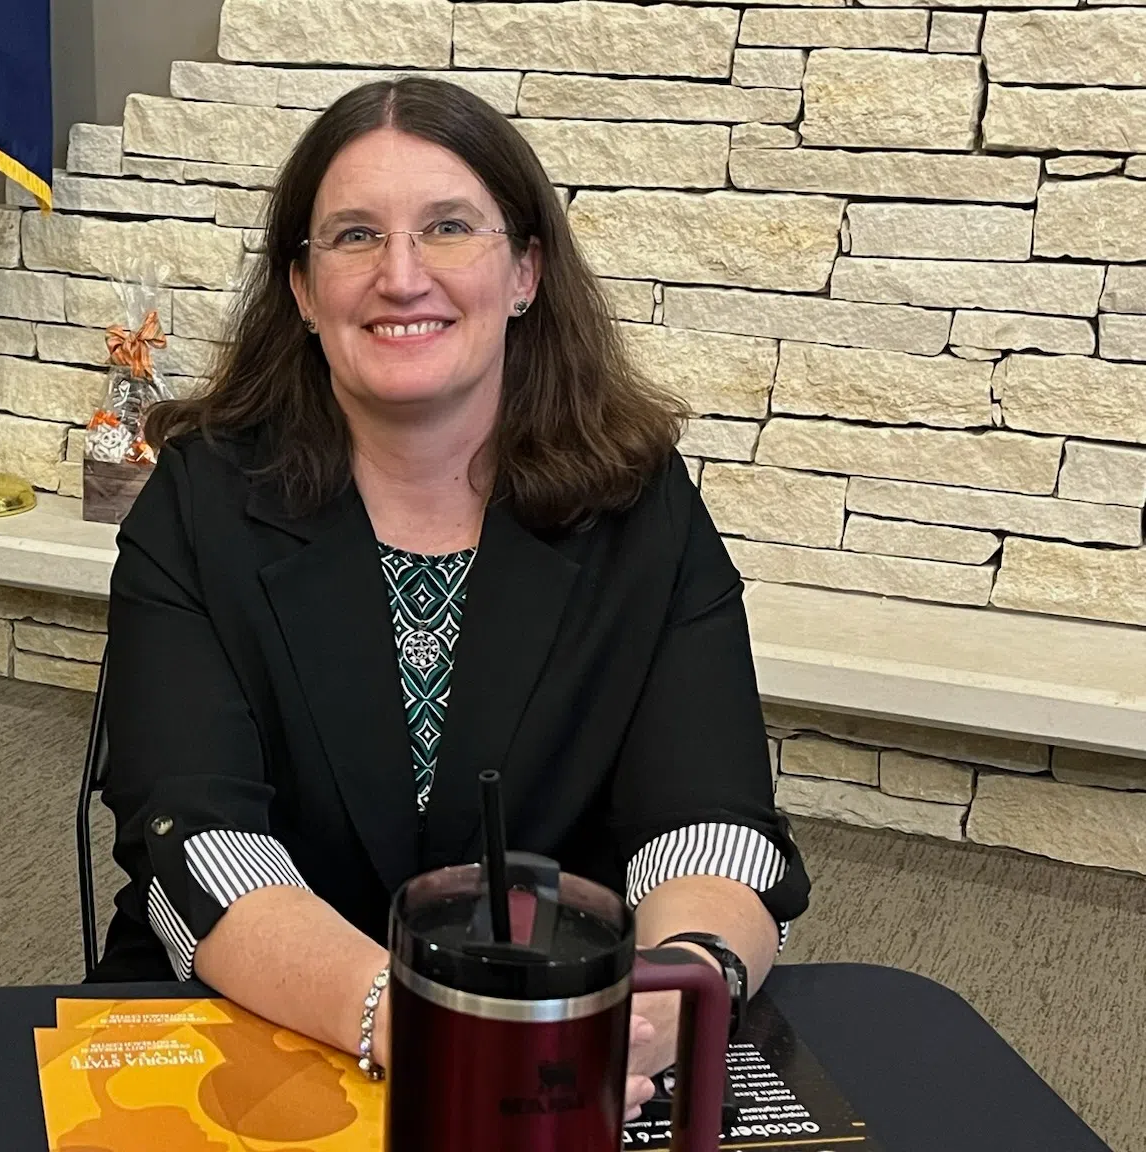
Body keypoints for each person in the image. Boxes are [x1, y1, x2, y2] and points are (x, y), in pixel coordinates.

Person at [94, 77, 810, 1114]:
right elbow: (193, 840)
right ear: (300, 289)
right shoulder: (197, 502)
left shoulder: (638, 505)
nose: (399, 275)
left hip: (572, 1065)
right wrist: (430, 1023)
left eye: (446, 227)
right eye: (349, 236)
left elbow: (710, 828)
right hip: (259, 1036)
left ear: (523, 270)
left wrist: (669, 992)